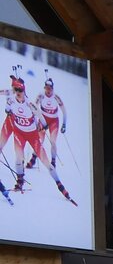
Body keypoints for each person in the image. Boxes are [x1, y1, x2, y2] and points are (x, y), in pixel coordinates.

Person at [1, 69, 75, 205]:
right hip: (19, 132)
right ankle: (20, 181)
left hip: (32, 135)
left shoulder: (30, 104)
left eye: (20, 90)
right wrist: (8, 111)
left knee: (46, 161)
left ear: (24, 91)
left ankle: (60, 185)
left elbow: (40, 116)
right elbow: (7, 101)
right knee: (18, 157)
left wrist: (44, 125)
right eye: (16, 90)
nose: (18, 93)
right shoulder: (12, 99)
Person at [29, 73, 67, 170]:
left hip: (54, 121)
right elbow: (34, 107)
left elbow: (64, 111)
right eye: (46, 88)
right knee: (39, 140)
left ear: (52, 89)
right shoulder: (41, 95)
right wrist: (35, 120)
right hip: (43, 119)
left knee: (53, 141)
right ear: (44, 88)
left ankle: (53, 162)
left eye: (50, 88)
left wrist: (64, 124)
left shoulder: (56, 97)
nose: (48, 90)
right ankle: (33, 159)